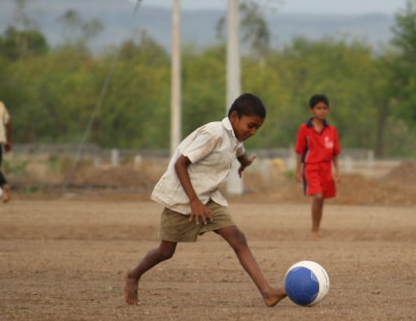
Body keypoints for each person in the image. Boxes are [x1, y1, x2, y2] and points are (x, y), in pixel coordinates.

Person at [124, 93, 287, 307]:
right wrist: (194, 202)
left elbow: (238, 149)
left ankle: (268, 293)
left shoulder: (235, 136)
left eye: (257, 128)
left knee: (237, 238)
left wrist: (244, 162)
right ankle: (133, 275)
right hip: (183, 198)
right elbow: (180, 164)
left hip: (207, 197)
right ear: (234, 117)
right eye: (251, 126)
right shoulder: (213, 133)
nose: (253, 132)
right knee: (166, 251)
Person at [294, 93, 341, 240]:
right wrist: (298, 171)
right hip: (311, 167)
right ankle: (314, 230)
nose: (322, 111)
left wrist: (337, 170)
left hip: (326, 168)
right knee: (318, 196)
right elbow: (299, 151)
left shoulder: (331, 130)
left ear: (328, 110)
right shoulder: (305, 129)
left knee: (322, 199)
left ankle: (317, 228)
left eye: (325, 108)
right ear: (312, 110)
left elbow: (334, 153)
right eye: (318, 108)